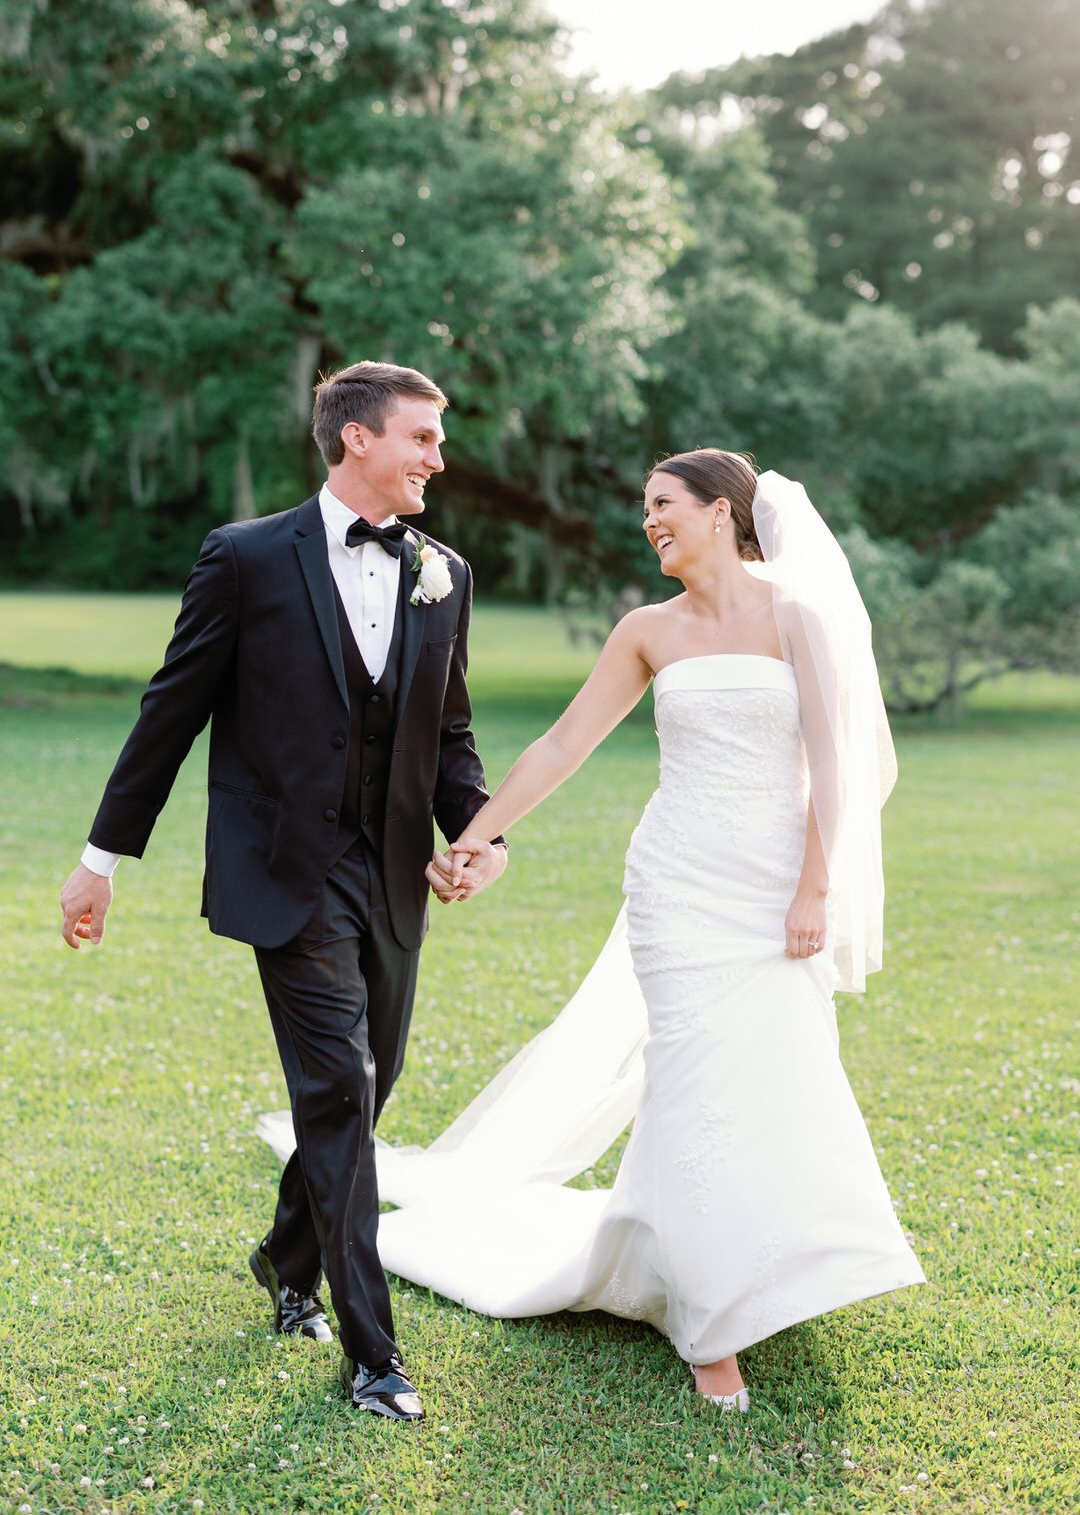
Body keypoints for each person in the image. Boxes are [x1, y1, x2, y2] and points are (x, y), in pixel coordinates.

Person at [392, 448, 924, 1412]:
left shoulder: (795, 616)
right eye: (646, 509)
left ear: (723, 512)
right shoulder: (646, 629)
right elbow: (563, 744)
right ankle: (711, 1325)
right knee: (690, 1076)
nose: (651, 522)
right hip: (679, 884)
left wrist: (816, 887)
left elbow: (834, 769)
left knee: (778, 1071)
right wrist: (474, 833)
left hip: (775, 888)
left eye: (665, 505)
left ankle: (780, 1263)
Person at [58, 360, 507, 1424]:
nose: (439, 459)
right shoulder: (247, 558)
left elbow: (450, 735)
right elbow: (171, 712)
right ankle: (374, 1355)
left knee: (369, 1082)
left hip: (390, 873)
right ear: (358, 439)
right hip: (284, 875)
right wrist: (101, 859)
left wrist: (481, 836)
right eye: (423, 439)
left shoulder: (445, 570)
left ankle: (284, 1260)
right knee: (342, 1090)